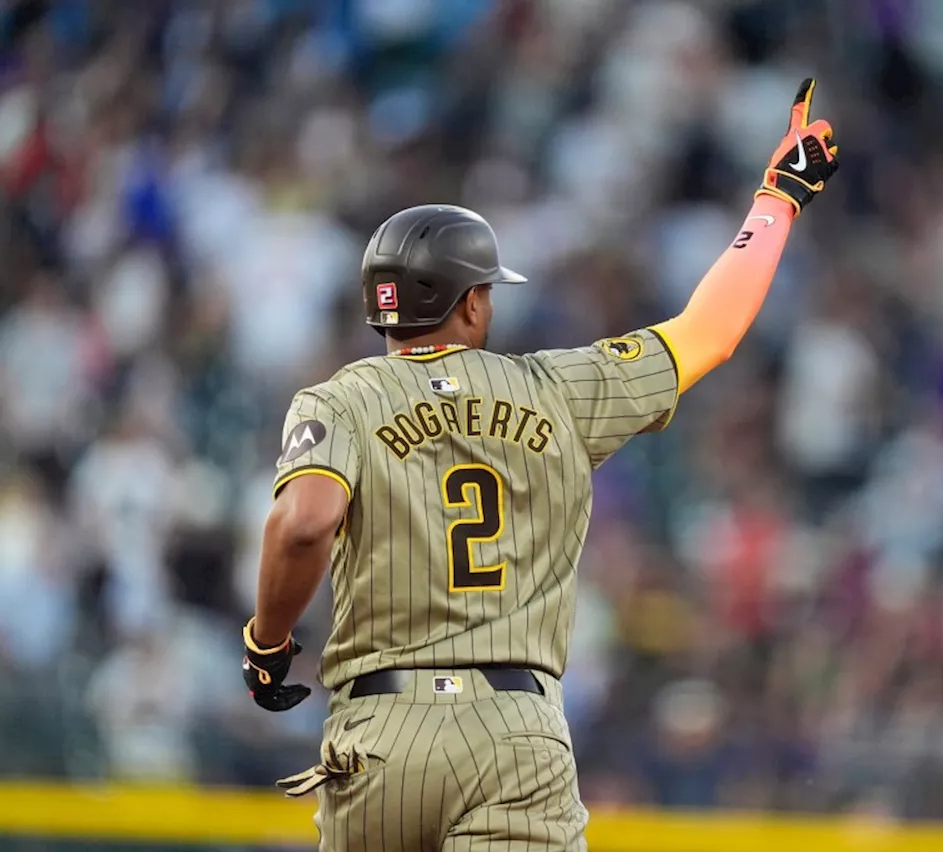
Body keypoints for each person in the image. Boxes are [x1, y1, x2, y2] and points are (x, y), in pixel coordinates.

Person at [240, 78, 839, 852]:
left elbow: (304, 523)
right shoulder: (557, 389)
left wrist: (267, 642)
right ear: (471, 304)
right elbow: (709, 333)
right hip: (514, 726)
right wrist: (778, 198)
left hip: (378, 730)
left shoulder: (337, 401)